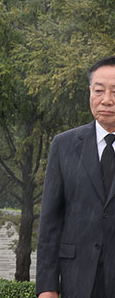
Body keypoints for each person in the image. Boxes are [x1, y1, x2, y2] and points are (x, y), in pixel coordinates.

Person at [37, 56, 115, 298]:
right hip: (78, 279)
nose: (107, 100)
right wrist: (47, 287)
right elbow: (50, 223)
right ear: (89, 92)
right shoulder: (64, 145)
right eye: (99, 90)